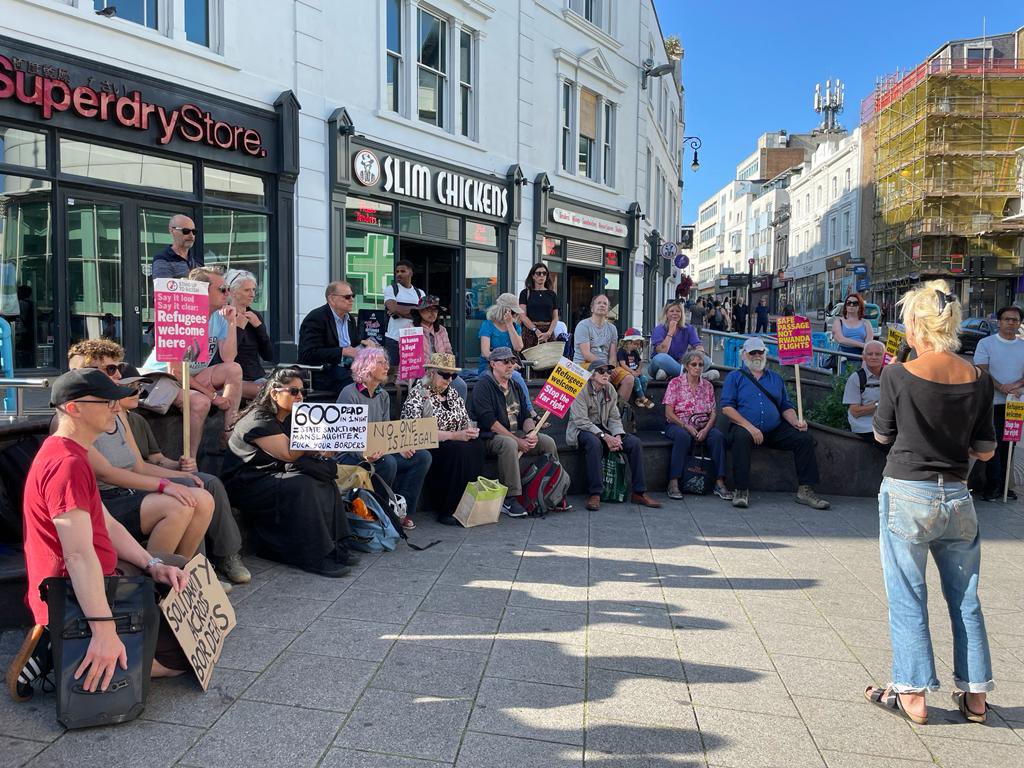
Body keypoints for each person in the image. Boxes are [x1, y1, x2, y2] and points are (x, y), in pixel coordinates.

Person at [8, 369, 191, 703]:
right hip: (70, 596)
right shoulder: (67, 465)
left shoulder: (70, 452)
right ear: (74, 408)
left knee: (175, 568)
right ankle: (66, 650)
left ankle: (62, 641)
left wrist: (152, 564)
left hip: (92, 579)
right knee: (183, 658)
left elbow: (107, 524)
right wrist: (104, 629)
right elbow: (77, 556)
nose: (117, 408)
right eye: (107, 402)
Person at [865, 281, 996, 726]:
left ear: (917, 325)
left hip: (907, 489)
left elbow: (882, 435)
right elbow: (985, 450)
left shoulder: (897, 374)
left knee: (907, 593)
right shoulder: (979, 378)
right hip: (958, 494)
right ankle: (975, 695)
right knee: (966, 598)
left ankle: (913, 694)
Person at [67, 340, 248, 584]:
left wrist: (178, 476)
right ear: (87, 373)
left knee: (202, 497)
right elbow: (106, 473)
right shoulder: (71, 416)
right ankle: (151, 584)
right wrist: (166, 485)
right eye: (111, 369)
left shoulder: (116, 410)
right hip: (103, 503)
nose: (119, 374)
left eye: (118, 367)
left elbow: (138, 465)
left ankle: (180, 576)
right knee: (179, 505)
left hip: (128, 492)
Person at [224, 368, 359, 577]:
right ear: (274, 393)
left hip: (270, 473)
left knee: (324, 479)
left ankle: (337, 544)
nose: (300, 397)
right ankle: (314, 556)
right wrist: (319, 435)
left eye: (302, 392)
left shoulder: (288, 416)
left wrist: (331, 444)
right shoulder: (259, 420)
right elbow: (288, 453)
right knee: (303, 485)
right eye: (294, 391)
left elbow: (306, 450)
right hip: (246, 484)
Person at [141, 266, 242, 457]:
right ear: (202, 290)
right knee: (201, 402)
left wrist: (231, 323)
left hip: (191, 375)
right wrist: (213, 397)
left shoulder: (219, 317)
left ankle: (228, 433)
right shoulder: (181, 315)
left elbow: (229, 357)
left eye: (228, 288)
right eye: (222, 289)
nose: (228, 293)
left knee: (234, 369)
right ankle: (190, 459)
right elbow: (176, 372)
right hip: (161, 377)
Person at [720, 336, 830, 510]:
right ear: (744, 355)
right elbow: (727, 408)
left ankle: (805, 490)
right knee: (740, 438)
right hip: (745, 427)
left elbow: (785, 405)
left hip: (774, 428)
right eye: (752, 353)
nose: (757, 356)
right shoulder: (735, 377)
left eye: (760, 352)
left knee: (804, 439)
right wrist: (750, 427)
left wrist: (795, 422)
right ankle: (741, 490)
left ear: (765, 353)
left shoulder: (775, 378)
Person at [338, 347, 430, 529]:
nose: (387, 366)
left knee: (422, 457)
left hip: (376, 450)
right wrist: (365, 454)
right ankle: (382, 513)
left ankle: (401, 510)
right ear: (367, 366)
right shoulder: (349, 394)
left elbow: (384, 432)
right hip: (352, 455)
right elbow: (345, 438)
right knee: (388, 462)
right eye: (381, 362)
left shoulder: (383, 395)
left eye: (386, 362)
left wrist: (399, 447)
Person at [469, 347, 564, 519]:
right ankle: (510, 498)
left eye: (512, 361)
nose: (510, 365)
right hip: (489, 437)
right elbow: (490, 423)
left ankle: (554, 486)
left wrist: (530, 433)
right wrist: (517, 440)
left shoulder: (515, 384)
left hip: (516, 432)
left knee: (547, 441)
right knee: (509, 444)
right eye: (505, 362)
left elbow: (526, 416)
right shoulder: (483, 385)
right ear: (492, 364)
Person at [567, 361, 662, 512]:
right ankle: (595, 493)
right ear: (592, 375)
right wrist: (605, 436)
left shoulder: (609, 389)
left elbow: (614, 417)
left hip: (605, 428)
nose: (606, 374)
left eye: (608, 372)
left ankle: (639, 492)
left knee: (634, 443)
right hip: (582, 430)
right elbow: (581, 421)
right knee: (594, 443)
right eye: (601, 371)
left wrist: (618, 435)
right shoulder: (580, 390)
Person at [400, 353, 482, 525]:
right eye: (445, 375)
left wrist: (469, 431)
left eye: (453, 375)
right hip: (431, 444)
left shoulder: (452, 393)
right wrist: (453, 436)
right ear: (431, 373)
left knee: (476, 446)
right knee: (457, 450)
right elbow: (414, 431)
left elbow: (463, 419)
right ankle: (448, 509)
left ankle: (469, 505)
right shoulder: (419, 393)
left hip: (453, 440)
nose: (449, 379)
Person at [663, 351, 732, 500]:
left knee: (718, 437)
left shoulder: (707, 386)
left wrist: (706, 430)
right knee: (682, 437)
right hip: (678, 424)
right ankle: (673, 481)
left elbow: (713, 412)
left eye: (700, 365)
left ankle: (719, 482)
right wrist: (686, 426)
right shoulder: (675, 383)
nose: (697, 368)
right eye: (694, 364)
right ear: (686, 366)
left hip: (702, 425)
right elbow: (669, 413)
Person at [973, 305, 1024, 502]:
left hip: (1015, 402)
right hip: (991, 402)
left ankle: (1004, 486)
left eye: (1015, 320)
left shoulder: (1022, 345)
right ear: (999, 321)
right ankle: (991, 486)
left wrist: (1015, 386)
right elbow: (981, 370)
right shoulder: (986, 343)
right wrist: (1000, 386)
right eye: (1007, 319)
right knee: (992, 444)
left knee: (1009, 444)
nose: (1011, 323)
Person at [298, 280, 376, 397]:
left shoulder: (349, 318)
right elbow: (308, 354)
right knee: (358, 382)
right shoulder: (316, 318)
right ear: (332, 299)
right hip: (325, 371)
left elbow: (351, 342)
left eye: (352, 296)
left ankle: (377, 413)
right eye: (347, 297)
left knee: (377, 376)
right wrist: (343, 351)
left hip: (348, 368)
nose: (352, 300)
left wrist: (364, 343)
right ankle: (359, 413)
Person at [219, 269, 274, 400]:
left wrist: (259, 327)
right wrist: (239, 327)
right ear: (233, 291)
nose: (252, 294)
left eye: (254, 290)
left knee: (286, 391)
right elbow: (227, 357)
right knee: (272, 394)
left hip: (257, 377)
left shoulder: (255, 316)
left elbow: (269, 355)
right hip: (233, 379)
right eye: (247, 290)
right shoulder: (223, 315)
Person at [478, 293, 533, 408]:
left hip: (509, 368)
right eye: (513, 312)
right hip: (489, 367)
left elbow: (518, 347)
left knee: (516, 377)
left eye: (516, 313)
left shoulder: (514, 326)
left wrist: (509, 325)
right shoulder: (488, 325)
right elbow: (485, 352)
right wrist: (506, 363)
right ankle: (529, 413)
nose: (515, 316)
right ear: (503, 311)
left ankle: (529, 411)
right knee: (516, 377)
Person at [410, 295, 467, 401]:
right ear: (419, 311)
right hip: (421, 373)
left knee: (461, 386)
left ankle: (458, 416)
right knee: (428, 389)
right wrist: (433, 371)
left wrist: (446, 370)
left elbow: (449, 353)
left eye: (435, 310)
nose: (432, 313)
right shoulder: (410, 329)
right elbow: (411, 359)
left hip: (443, 372)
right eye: (428, 309)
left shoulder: (442, 330)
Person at [648, 301, 718, 382]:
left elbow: (698, 345)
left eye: (678, 311)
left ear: (682, 314)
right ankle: (697, 376)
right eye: (672, 311)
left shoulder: (689, 328)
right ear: (666, 313)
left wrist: (699, 352)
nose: (675, 313)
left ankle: (670, 374)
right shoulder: (659, 329)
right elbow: (662, 351)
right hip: (659, 364)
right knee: (661, 358)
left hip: (680, 363)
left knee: (706, 359)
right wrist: (670, 332)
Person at [843, 340, 886, 447]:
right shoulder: (856, 378)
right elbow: (855, 412)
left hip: (886, 423)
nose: (874, 357)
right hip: (866, 426)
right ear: (864, 357)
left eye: (878, 354)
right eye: (870, 354)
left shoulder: (889, 375)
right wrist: (879, 405)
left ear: (883, 356)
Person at [383, 260, 426, 365]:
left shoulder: (420, 293)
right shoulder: (391, 289)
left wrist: (400, 311)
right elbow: (392, 308)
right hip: (394, 338)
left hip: (413, 339)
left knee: (411, 373)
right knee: (392, 373)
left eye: (402, 271)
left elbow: (424, 315)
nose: (399, 274)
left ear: (410, 273)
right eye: (397, 271)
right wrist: (416, 311)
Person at [518, 263, 560, 349]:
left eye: (544, 273)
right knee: (529, 360)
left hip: (548, 332)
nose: (542, 276)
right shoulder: (525, 293)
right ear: (533, 276)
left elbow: (555, 317)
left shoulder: (552, 294)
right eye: (538, 273)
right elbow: (522, 316)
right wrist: (535, 330)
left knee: (548, 360)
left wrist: (549, 333)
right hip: (530, 331)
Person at [151, 214, 204, 279]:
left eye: (194, 231)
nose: (191, 235)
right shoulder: (162, 259)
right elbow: (164, 288)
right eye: (186, 231)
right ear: (172, 231)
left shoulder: (198, 262)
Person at [573, 294, 618, 369]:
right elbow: (586, 354)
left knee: (628, 378)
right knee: (598, 375)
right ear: (592, 309)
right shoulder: (583, 325)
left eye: (605, 303)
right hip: (584, 365)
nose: (602, 305)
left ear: (608, 310)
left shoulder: (612, 328)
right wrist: (604, 367)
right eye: (599, 303)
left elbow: (612, 355)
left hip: (605, 366)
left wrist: (611, 369)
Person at [613, 329, 654, 408]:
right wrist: (632, 372)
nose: (637, 346)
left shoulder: (635, 352)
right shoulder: (622, 351)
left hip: (635, 372)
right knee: (636, 380)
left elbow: (640, 362)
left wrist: (638, 371)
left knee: (644, 379)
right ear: (628, 342)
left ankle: (638, 398)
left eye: (638, 344)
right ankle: (643, 398)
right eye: (635, 344)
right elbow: (623, 364)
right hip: (627, 372)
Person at [832, 292, 874, 364]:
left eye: (855, 303)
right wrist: (862, 345)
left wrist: (865, 353)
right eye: (849, 303)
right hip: (843, 355)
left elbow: (869, 342)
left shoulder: (866, 323)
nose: (851, 305)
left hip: (860, 356)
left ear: (860, 306)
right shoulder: (838, 321)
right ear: (845, 306)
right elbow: (840, 339)